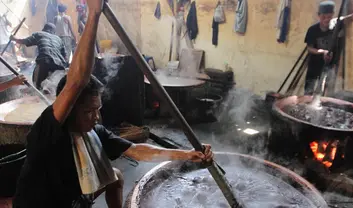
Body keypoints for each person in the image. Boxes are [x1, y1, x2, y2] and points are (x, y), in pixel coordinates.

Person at [12, 0, 213, 208]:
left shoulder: (92, 132)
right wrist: (94, 14)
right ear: (69, 108)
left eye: (98, 109)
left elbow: (136, 150)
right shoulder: (48, 131)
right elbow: (76, 81)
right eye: (89, 111)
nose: (96, 117)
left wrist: (189, 155)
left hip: (71, 199)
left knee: (115, 176)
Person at [304, 0, 353, 95]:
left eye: (329, 17)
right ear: (319, 15)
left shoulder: (338, 23)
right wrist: (322, 52)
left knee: (327, 93)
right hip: (314, 65)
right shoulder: (312, 30)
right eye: (323, 17)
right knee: (309, 91)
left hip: (330, 65)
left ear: (333, 15)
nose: (326, 19)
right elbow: (309, 48)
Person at [10, 23, 68, 90]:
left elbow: (26, 41)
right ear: (54, 32)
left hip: (44, 61)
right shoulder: (59, 39)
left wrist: (14, 38)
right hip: (59, 64)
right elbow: (65, 57)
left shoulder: (39, 34)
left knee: (38, 86)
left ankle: (39, 95)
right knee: (55, 88)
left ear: (44, 29)